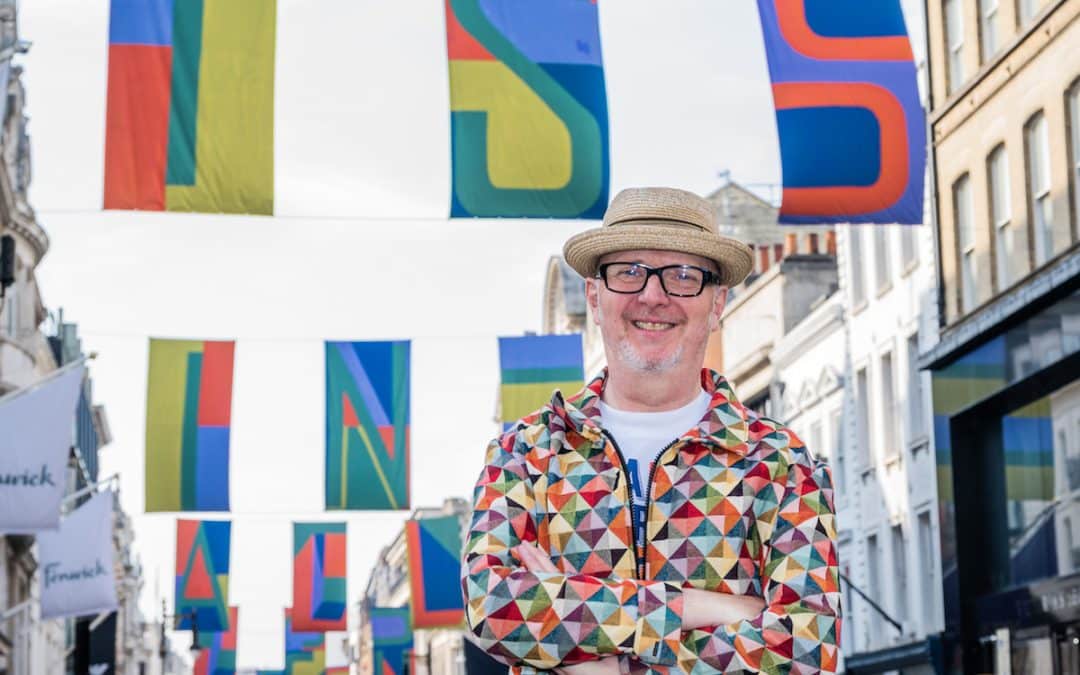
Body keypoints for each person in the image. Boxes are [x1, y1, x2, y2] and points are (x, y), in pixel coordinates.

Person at [461, 187, 840, 674]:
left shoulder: (779, 462)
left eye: (683, 276)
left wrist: (596, 656)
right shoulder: (525, 454)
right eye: (628, 272)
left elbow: (805, 650)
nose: (653, 296)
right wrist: (687, 607)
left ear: (717, 303)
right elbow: (491, 606)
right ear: (594, 297)